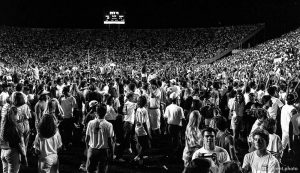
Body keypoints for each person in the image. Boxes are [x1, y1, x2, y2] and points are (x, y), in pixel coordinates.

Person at [85, 104, 115, 173]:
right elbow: (110, 141)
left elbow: (86, 139)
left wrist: (88, 150)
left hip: (92, 149)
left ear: (96, 112)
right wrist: (112, 153)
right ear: (106, 112)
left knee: (90, 170)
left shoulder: (90, 123)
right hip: (103, 151)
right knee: (102, 171)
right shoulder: (109, 125)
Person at [0, 106, 27, 173]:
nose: (19, 115)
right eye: (18, 114)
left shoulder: (4, 125)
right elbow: (18, 144)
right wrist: (23, 156)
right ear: (14, 115)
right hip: (12, 153)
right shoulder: (14, 127)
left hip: (3, 152)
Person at [164, 92, 185, 159]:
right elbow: (183, 118)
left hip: (170, 126)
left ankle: (171, 154)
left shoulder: (168, 107)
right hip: (177, 127)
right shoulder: (179, 108)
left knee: (171, 139)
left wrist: (166, 127)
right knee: (177, 140)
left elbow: (165, 118)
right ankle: (176, 154)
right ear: (176, 100)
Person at [134, 95, 151, 164]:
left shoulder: (138, 109)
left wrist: (135, 128)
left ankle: (140, 158)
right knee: (145, 146)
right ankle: (139, 157)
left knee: (140, 144)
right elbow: (144, 123)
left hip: (137, 128)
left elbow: (135, 120)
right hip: (142, 130)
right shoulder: (144, 110)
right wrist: (148, 133)